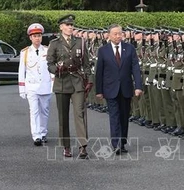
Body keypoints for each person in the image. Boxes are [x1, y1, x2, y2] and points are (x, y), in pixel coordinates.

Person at [47, 14, 92, 159]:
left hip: (77, 81)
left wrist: (89, 80)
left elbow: (86, 64)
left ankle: (82, 145)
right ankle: (66, 146)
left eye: (71, 25)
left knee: (79, 113)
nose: (70, 27)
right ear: (61, 27)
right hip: (61, 82)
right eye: (67, 25)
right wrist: (56, 69)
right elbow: (50, 63)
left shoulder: (80, 42)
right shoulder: (54, 43)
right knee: (63, 116)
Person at [95, 24, 143, 154]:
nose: (118, 36)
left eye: (120, 33)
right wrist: (98, 90)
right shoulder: (103, 50)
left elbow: (135, 68)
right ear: (109, 35)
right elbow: (99, 71)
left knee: (124, 116)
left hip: (126, 88)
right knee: (114, 116)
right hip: (110, 89)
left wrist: (138, 86)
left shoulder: (129, 49)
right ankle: (116, 144)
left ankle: (122, 142)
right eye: (115, 34)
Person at [18, 23, 53, 146]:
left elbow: (51, 69)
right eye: (35, 36)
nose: (37, 38)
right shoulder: (25, 52)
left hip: (45, 86)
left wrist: (53, 85)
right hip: (31, 86)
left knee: (45, 111)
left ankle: (43, 132)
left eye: (39, 35)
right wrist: (22, 89)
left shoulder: (48, 50)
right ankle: (36, 135)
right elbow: (22, 71)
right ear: (30, 38)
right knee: (34, 111)